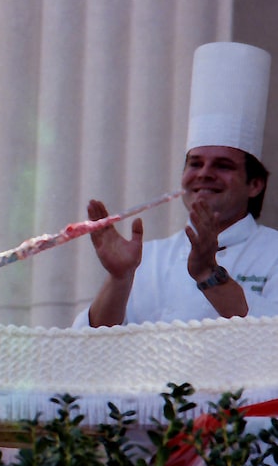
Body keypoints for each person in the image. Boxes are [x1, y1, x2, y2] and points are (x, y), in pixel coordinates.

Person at [73, 41, 278, 329]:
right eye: (195, 163)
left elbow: (272, 340)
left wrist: (209, 273)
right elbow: (90, 349)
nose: (204, 173)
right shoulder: (148, 259)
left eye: (222, 165)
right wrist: (120, 279)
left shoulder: (273, 253)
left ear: (255, 185)